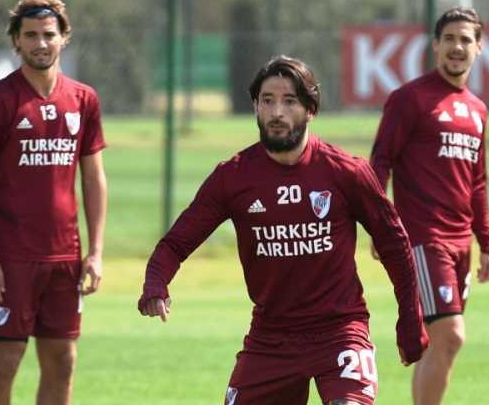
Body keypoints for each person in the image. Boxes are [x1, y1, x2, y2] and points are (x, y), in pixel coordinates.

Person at [139, 56, 429, 405]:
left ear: (311, 109)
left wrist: (410, 319)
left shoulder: (346, 172)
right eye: (267, 100)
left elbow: (394, 243)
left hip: (339, 333)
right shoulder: (233, 177)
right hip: (270, 338)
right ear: (255, 107)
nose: (277, 112)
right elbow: (176, 243)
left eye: (289, 101)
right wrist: (156, 282)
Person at [0, 0, 107, 405]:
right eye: (30, 35)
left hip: (65, 257)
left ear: (64, 37)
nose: (40, 43)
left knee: (63, 360)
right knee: (6, 359)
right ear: (16, 41)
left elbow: (94, 176)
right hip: (11, 258)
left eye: (48, 34)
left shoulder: (84, 100)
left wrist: (95, 252)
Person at [369, 7, 489, 405]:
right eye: (449, 39)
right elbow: (379, 163)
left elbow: (477, 182)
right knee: (451, 335)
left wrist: (488, 244)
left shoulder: (477, 110)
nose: (457, 47)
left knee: (437, 345)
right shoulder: (410, 99)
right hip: (424, 239)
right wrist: (379, 226)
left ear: (478, 48)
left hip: (462, 243)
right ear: (435, 46)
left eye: (465, 40)